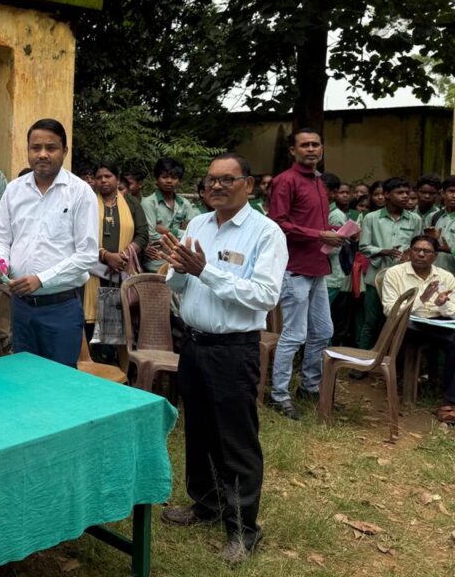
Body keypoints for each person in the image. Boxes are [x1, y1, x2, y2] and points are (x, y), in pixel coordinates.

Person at [158, 152, 287, 565]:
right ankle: (206, 504)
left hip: (233, 349)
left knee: (235, 440)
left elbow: (264, 296)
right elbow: (178, 284)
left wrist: (205, 270)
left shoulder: (265, 233)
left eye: (227, 179)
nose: (216, 186)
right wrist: (180, 269)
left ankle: (243, 529)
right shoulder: (197, 224)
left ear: (248, 184)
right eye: (211, 179)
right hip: (194, 344)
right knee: (198, 431)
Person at [0, 119, 98, 368]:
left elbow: (87, 255)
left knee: (58, 382)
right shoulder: (14, 190)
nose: (42, 154)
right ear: (27, 150)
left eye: (51, 147)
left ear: (65, 151)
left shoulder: (80, 192)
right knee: (23, 378)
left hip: (60, 309)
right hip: (21, 307)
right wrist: (0, 264)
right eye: (36, 147)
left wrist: (41, 279)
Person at [266, 129, 341, 419]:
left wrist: (335, 232)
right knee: (294, 334)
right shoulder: (286, 180)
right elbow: (277, 224)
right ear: (292, 151)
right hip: (294, 268)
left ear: (322, 148)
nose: (311, 149)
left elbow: (313, 223)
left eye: (315, 144)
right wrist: (319, 234)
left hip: (317, 267)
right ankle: (279, 395)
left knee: (323, 331)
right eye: (305, 145)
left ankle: (309, 388)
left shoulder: (319, 181)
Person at [380, 234, 455, 424]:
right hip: (408, 323)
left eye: (427, 251)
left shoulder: (446, 276)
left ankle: (451, 402)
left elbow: (453, 310)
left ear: (435, 256)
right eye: (417, 250)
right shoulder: (395, 273)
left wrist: (442, 304)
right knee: (407, 334)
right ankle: (403, 386)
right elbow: (390, 310)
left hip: (438, 321)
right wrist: (421, 300)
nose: (421, 254)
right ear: (409, 252)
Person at [85, 161, 148, 365]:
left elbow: (142, 234)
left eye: (108, 176)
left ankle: (119, 370)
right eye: (99, 177)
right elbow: (79, 236)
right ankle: (92, 366)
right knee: (90, 327)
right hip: (93, 274)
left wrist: (123, 255)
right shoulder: (87, 202)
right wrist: (105, 255)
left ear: (118, 179)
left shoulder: (131, 203)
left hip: (121, 274)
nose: (103, 181)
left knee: (120, 327)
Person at [357, 177, 421, 352]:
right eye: (400, 192)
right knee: (371, 321)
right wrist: (383, 251)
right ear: (387, 194)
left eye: (407, 192)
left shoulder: (415, 219)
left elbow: (417, 247)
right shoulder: (371, 218)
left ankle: (391, 360)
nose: (405, 196)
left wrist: (410, 255)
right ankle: (362, 359)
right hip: (376, 277)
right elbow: (364, 246)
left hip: (403, 280)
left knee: (399, 322)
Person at [141, 157, 198, 272]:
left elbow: (193, 234)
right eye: (164, 177)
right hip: (155, 263)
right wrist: (181, 233)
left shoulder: (185, 204)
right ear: (157, 179)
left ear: (179, 181)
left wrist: (168, 231)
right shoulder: (149, 203)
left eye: (174, 177)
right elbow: (151, 235)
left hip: (179, 262)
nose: (169, 181)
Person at [322, 173, 356, 346]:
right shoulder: (324, 210)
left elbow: (335, 247)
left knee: (323, 318)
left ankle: (324, 353)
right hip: (325, 274)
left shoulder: (335, 215)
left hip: (331, 275)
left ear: (332, 192)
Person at [428, 176, 455, 273]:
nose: (454, 196)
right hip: (434, 272)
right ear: (443, 193)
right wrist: (431, 240)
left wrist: (450, 250)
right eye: (451, 191)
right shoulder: (433, 216)